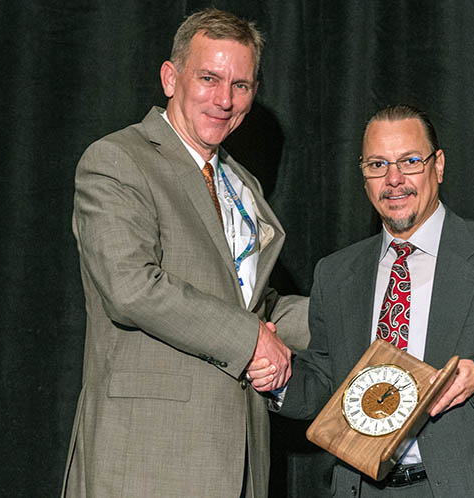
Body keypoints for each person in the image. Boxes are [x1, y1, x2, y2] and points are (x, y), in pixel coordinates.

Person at [248, 104, 474, 497]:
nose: (393, 180)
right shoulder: (336, 273)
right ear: (363, 176)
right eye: (377, 165)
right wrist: (280, 378)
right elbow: (327, 381)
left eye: (410, 161)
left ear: (438, 165)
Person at [61, 8, 309, 498]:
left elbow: (256, 306)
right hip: (148, 458)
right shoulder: (117, 160)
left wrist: (354, 310)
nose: (224, 99)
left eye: (241, 85)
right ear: (170, 78)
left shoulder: (242, 183)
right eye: (209, 78)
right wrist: (251, 341)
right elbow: (131, 287)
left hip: (240, 457)